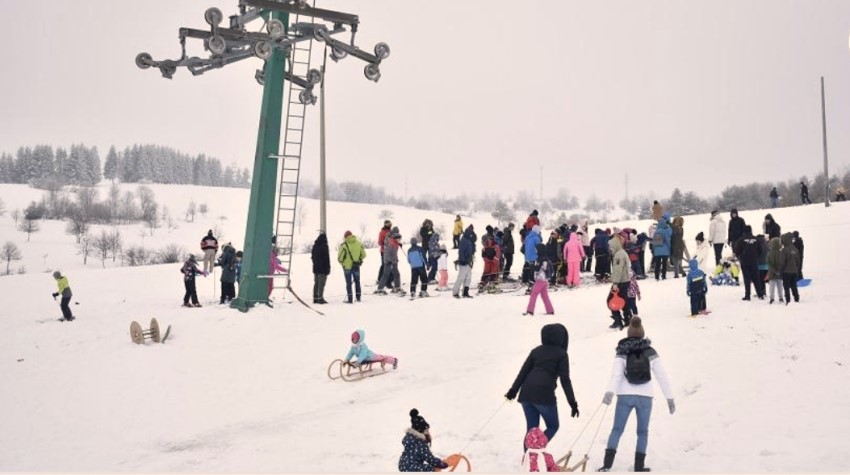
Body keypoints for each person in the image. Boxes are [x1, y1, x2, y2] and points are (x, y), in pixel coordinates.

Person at [597, 317, 675, 473]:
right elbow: (662, 376)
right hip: (645, 397)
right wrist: (669, 398)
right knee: (642, 432)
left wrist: (609, 393)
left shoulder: (622, 351)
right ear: (642, 333)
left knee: (617, 429)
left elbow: (616, 376)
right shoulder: (650, 351)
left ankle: (607, 465)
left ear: (628, 333)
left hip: (624, 396)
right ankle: (639, 467)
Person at [505, 323, 580, 450]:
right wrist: (572, 403)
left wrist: (513, 390)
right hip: (544, 395)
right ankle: (534, 452)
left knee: (531, 429)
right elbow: (565, 380)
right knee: (553, 426)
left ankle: (528, 458)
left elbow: (523, 372)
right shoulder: (561, 354)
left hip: (526, 393)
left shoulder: (536, 351)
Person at [608, 235, 633, 330]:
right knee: (624, 300)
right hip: (625, 280)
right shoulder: (622, 252)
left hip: (620, 282)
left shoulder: (618, 255)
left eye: (611, 246)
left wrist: (615, 283)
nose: (610, 248)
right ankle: (628, 318)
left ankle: (618, 321)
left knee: (610, 300)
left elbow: (618, 270)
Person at [733, 225, 764, 301]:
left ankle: (747, 295)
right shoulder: (756, 239)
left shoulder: (741, 240)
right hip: (754, 261)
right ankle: (760, 294)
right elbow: (760, 250)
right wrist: (756, 257)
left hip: (744, 261)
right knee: (756, 278)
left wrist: (740, 257)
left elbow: (737, 251)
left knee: (747, 279)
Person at [338, 231, 366, 303]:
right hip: (356, 266)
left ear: (345, 237)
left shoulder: (344, 245)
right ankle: (358, 297)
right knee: (357, 282)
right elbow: (364, 255)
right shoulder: (358, 243)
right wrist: (358, 260)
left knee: (348, 283)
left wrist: (343, 264)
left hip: (347, 267)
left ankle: (350, 299)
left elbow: (340, 258)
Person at [376, 226, 403, 296]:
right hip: (390, 260)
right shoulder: (392, 243)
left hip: (388, 259)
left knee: (387, 274)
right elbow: (389, 252)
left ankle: (380, 288)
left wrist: (398, 244)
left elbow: (389, 250)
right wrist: (393, 261)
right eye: (399, 239)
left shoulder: (391, 239)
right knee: (395, 274)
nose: (400, 240)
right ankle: (397, 287)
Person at [453, 225, 476, 298]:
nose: (471, 235)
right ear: (468, 233)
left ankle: (465, 292)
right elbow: (461, 252)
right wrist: (462, 260)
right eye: (471, 234)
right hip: (463, 262)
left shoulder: (468, 240)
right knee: (461, 278)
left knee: (468, 278)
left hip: (468, 262)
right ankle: (455, 292)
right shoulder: (463, 240)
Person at [780, 232, 801, 304]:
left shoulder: (784, 250)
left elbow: (782, 262)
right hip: (794, 271)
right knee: (794, 286)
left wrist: (780, 271)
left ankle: (788, 300)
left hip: (786, 272)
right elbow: (798, 262)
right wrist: (797, 270)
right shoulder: (795, 249)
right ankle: (796, 298)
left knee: (786, 287)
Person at [651, 213, 672, 281]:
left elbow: (653, 242)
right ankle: (663, 275)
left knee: (657, 264)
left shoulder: (656, 232)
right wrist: (670, 247)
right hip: (665, 251)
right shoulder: (665, 231)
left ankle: (657, 276)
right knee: (664, 264)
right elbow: (667, 241)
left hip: (657, 251)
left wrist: (654, 250)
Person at [311, 232, 330, 304]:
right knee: (321, 283)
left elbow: (312, 257)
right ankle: (320, 298)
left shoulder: (315, 246)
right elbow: (326, 258)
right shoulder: (325, 246)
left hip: (315, 268)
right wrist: (328, 268)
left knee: (316, 283)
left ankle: (315, 298)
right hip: (322, 268)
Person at [766, 237, 784, 305]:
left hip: (771, 273)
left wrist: (774, 271)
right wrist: (779, 271)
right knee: (780, 287)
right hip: (780, 273)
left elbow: (769, 264)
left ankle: (772, 298)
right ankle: (781, 298)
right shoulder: (781, 253)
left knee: (772, 287)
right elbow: (782, 263)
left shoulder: (769, 254)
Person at [377, 220, 393, 286]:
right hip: (384, 251)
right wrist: (385, 243)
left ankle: (385, 278)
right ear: (385, 225)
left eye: (390, 224)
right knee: (385, 265)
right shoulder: (382, 232)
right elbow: (379, 242)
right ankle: (384, 280)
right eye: (388, 224)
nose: (390, 225)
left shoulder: (391, 231)